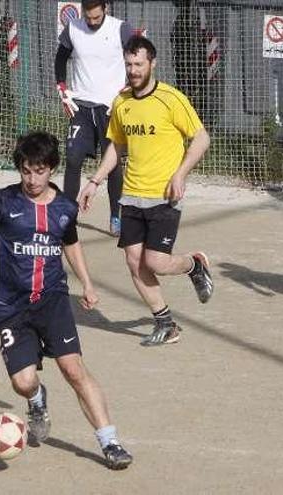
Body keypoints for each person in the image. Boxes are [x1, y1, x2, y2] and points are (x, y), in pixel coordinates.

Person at [0, 131, 133, 470]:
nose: (32, 179)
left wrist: (87, 284)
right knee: (23, 382)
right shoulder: (1, 203)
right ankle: (36, 400)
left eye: (40, 171)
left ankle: (110, 442)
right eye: (27, 171)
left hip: (53, 302)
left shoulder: (64, 208)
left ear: (52, 169)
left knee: (74, 370)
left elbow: (70, 242)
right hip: (10, 307)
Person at [78, 36, 214, 347]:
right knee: (133, 262)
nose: (133, 70)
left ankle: (195, 264)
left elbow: (202, 138)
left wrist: (180, 174)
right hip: (131, 196)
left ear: (153, 63)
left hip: (165, 195)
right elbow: (116, 146)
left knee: (155, 263)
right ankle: (165, 323)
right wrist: (95, 181)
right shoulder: (122, 102)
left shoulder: (171, 99)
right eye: (128, 64)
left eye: (139, 64)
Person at [55, 0, 133, 237]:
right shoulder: (73, 28)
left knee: (113, 164)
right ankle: (69, 215)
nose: (92, 22)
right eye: (88, 18)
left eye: (96, 18)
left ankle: (115, 216)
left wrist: (129, 90)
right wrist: (62, 88)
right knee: (73, 156)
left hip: (112, 108)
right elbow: (60, 59)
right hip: (81, 106)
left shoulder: (121, 29)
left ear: (106, 9)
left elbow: (137, 60)